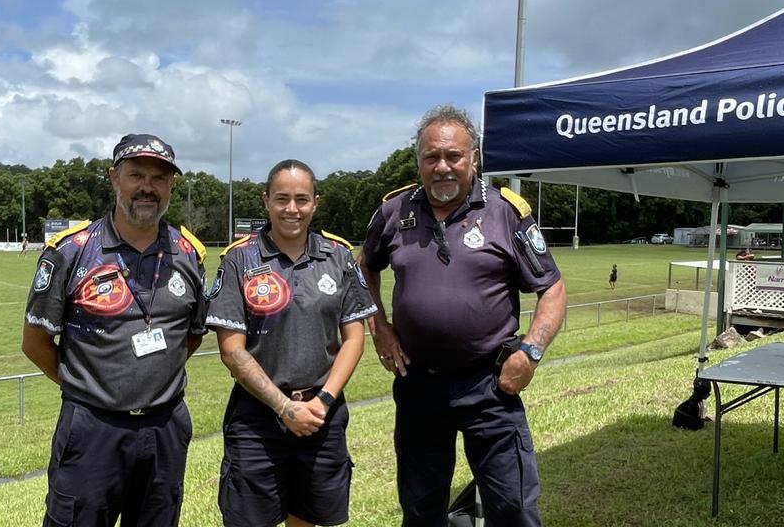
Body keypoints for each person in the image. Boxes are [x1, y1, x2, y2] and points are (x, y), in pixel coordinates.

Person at [360, 104, 568, 527]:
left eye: (453, 156)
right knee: (420, 509)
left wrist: (530, 353)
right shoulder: (394, 211)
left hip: (490, 385)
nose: (442, 167)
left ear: (474, 157)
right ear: (418, 160)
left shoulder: (506, 212)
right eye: (431, 157)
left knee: (512, 506)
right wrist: (379, 327)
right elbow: (362, 266)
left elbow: (553, 288)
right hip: (418, 384)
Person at [22, 133, 209, 527]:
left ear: (172, 185)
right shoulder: (70, 251)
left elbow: (191, 335)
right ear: (113, 178)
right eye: (135, 175)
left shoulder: (189, 254)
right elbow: (35, 341)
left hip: (164, 426)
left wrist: (152, 381)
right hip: (92, 428)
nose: (147, 187)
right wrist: (89, 385)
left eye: (159, 179)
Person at [208, 159, 377, 527]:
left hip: (322, 412)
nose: (292, 209)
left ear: (316, 202)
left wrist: (324, 401)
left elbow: (353, 339)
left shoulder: (338, 256)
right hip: (258, 417)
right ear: (265, 200)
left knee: (307, 517)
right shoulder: (239, 259)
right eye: (282, 198)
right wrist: (284, 408)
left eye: (302, 199)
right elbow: (231, 351)